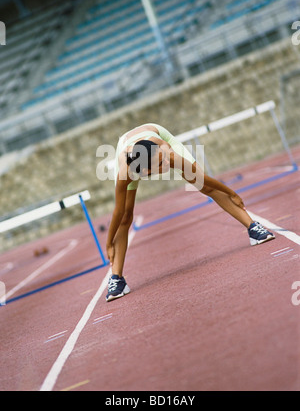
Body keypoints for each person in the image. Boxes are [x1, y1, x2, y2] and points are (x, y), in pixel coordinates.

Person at [105, 123, 275, 301]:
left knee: (205, 188)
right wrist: (109, 242)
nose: (161, 169)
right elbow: (117, 211)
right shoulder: (126, 170)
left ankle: (253, 228)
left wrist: (232, 193)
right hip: (128, 147)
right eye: (155, 168)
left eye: (161, 164)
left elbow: (203, 179)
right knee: (125, 216)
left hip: (155, 135)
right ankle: (117, 278)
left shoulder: (167, 154)